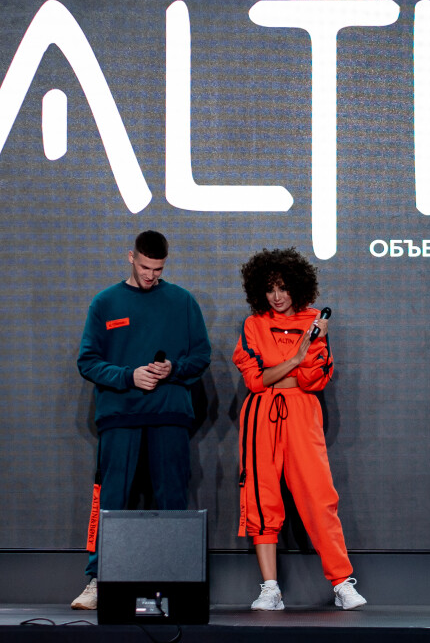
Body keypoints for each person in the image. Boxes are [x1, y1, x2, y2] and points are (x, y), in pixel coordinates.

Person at [71, 230, 212, 610]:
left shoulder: (182, 301)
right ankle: (98, 580)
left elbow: (201, 356)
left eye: (158, 269)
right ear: (130, 257)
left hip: (169, 414)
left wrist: (173, 369)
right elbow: (88, 361)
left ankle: (174, 585)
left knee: (172, 501)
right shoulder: (105, 302)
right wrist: (128, 376)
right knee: (112, 499)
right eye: (146, 267)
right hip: (120, 416)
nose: (151, 275)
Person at [232, 247, 366, 611]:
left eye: (283, 287)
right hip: (261, 414)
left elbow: (313, 381)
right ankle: (270, 589)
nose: (277, 296)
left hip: (303, 413)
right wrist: (294, 358)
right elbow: (255, 380)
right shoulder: (254, 324)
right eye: (270, 288)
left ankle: (341, 583)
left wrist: (314, 343)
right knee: (261, 499)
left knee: (319, 497)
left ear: (297, 287)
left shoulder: (315, 323)